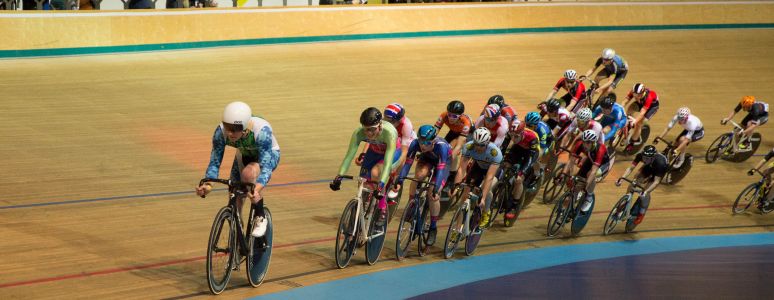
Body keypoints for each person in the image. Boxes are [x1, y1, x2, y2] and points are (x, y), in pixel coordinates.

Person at [195, 101, 281, 237]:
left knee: (248, 175)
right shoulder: (220, 132)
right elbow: (215, 162)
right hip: (244, 154)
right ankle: (238, 235)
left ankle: (260, 216)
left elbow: (265, 168)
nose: (229, 133)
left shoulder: (261, 131)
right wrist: (208, 185)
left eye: (234, 129)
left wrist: (256, 188)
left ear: (245, 127)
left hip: (268, 156)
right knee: (234, 193)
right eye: (227, 127)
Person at [330, 107, 401, 227]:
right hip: (374, 152)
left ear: (380, 126)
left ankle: (382, 207)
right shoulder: (358, 133)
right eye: (366, 129)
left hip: (391, 153)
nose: (368, 133)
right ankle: (364, 205)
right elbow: (349, 157)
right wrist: (339, 176)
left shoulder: (389, 133)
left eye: (372, 129)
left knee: (376, 173)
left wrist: (382, 183)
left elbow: (388, 162)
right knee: (362, 180)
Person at [395, 125, 452, 245]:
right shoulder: (415, 144)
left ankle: (433, 227)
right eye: (421, 141)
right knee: (418, 177)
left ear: (433, 140)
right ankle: (412, 204)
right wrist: (400, 180)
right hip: (427, 158)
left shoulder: (441, 147)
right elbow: (407, 164)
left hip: (443, 164)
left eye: (426, 142)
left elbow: (441, 170)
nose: (423, 145)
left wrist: (436, 188)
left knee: (432, 194)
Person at [454, 127, 503, 228]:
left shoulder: (495, 152)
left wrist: (483, 198)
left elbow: (489, 177)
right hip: (478, 167)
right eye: (476, 144)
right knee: (465, 193)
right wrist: (456, 185)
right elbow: (461, 169)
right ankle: (457, 229)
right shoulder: (468, 147)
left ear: (487, 143)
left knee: (486, 188)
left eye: (481, 145)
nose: (478, 147)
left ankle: (486, 211)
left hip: (493, 170)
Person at [616, 145, 667, 224]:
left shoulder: (660, 163)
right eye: (644, 157)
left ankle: (641, 214)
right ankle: (626, 201)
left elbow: (656, 181)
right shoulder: (640, 155)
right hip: (648, 167)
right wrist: (622, 178)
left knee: (645, 192)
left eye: (647, 158)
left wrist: (646, 192)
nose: (644, 159)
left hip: (657, 170)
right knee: (635, 180)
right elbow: (630, 168)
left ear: (653, 157)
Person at [501, 119, 541, 221]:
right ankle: (502, 188)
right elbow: (503, 148)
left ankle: (514, 206)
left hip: (530, 153)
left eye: (516, 136)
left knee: (519, 179)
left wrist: (522, 172)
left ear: (522, 133)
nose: (513, 138)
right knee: (505, 164)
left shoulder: (532, 138)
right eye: (512, 136)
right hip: (518, 149)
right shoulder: (512, 132)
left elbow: (530, 159)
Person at [562, 130, 610, 212]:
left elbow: (594, 171)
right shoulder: (580, 144)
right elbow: (571, 161)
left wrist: (586, 186)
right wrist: (563, 174)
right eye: (584, 142)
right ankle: (564, 211)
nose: (585, 145)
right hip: (591, 160)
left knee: (590, 175)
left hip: (603, 165)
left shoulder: (600, 149)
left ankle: (589, 197)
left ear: (593, 142)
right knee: (577, 180)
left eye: (588, 143)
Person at [435, 100, 472, 186]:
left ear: (460, 116)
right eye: (449, 115)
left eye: (454, 116)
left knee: (451, 150)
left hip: (467, 134)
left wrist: (449, 159)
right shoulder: (444, 115)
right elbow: (434, 132)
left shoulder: (466, 122)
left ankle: (451, 176)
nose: (451, 118)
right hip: (454, 131)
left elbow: (459, 145)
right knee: (442, 147)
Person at [383, 103, 416, 197]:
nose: (389, 123)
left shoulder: (406, 125)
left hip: (407, 141)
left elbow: (404, 151)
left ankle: (396, 182)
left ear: (400, 119)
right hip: (396, 138)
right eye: (387, 120)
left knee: (401, 160)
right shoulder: (385, 118)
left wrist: (395, 166)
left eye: (392, 121)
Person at [623, 83, 660, 148]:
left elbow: (642, 112)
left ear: (642, 93)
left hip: (652, 107)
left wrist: (635, 121)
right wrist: (620, 108)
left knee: (639, 124)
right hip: (641, 103)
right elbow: (625, 101)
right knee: (629, 109)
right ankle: (628, 127)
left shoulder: (649, 97)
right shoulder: (633, 91)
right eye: (634, 95)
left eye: (638, 95)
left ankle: (633, 142)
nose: (636, 97)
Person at [524, 111, 553, 177]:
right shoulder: (528, 126)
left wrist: (533, 159)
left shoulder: (542, 131)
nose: (527, 127)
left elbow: (541, 149)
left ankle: (537, 173)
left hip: (547, 142)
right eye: (527, 125)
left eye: (530, 126)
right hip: (536, 138)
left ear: (536, 125)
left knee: (535, 158)